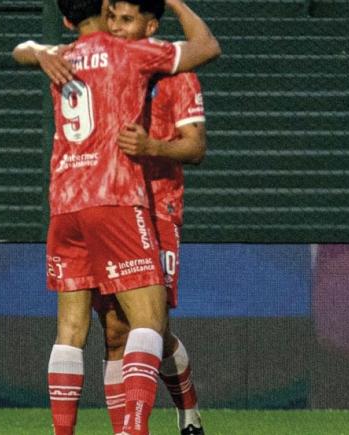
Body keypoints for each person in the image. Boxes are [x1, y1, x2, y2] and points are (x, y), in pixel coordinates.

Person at [12, 1, 220, 434]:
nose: (118, 27)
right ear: (102, 13)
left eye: (127, 20)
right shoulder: (121, 55)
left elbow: (196, 146)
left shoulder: (171, 72)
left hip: (149, 203)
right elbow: (207, 45)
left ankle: (187, 414)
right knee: (116, 331)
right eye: (114, 18)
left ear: (150, 24)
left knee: (149, 326)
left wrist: (154, 148)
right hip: (115, 199)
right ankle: (128, 428)